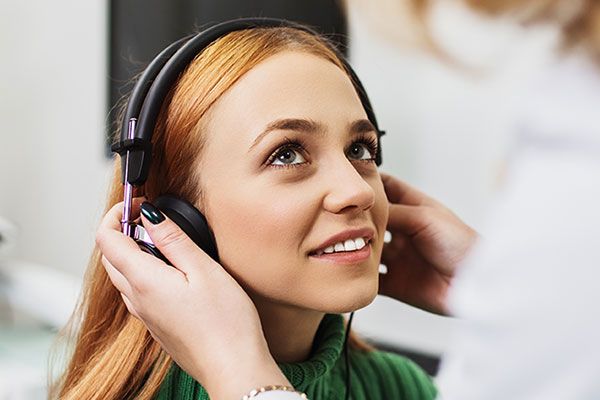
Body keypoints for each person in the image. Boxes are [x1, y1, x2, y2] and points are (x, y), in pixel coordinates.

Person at [49, 25, 452, 400]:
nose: (357, 190)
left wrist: (496, 290)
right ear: (177, 216)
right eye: (287, 154)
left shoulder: (399, 386)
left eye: (360, 149)